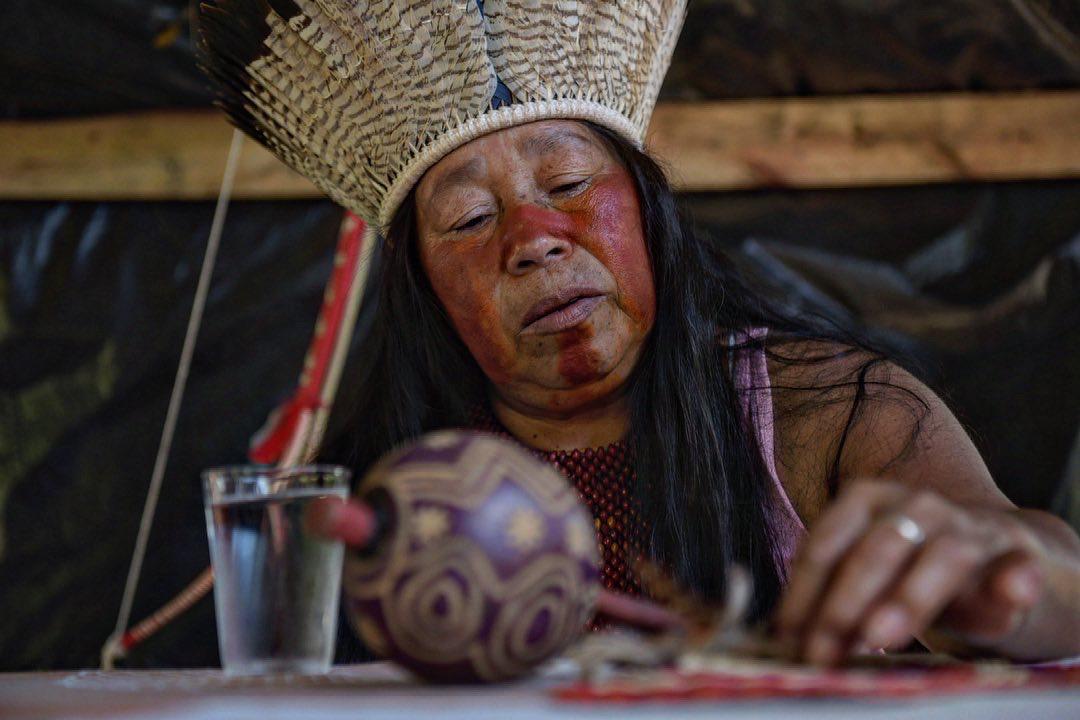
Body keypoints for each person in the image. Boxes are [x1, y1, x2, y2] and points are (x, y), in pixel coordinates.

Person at [198, 0, 1080, 664]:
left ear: (652, 215)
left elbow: (1048, 579)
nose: (535, 239)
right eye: (469, 218)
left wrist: (1004, 573)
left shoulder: (826, 410)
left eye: (573, 182)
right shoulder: (381, 485)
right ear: (427, 290)